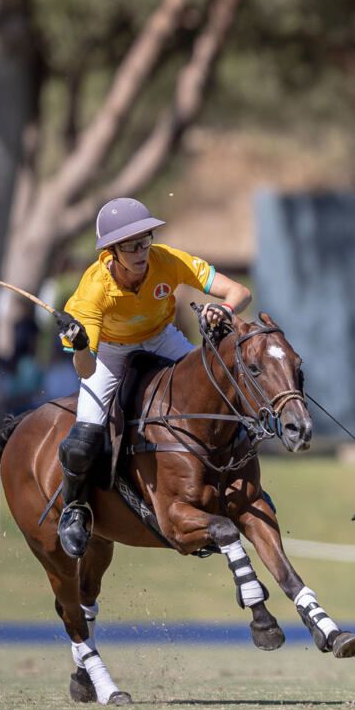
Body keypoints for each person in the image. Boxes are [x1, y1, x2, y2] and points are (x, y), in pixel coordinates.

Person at [53, 197, 252, 559]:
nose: (142, 251)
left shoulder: (168, 261)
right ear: (112, 251)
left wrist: (222, 311)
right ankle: (74, 508)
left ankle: (231, 485)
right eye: (131, 245)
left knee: (219, 389)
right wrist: (82, 345)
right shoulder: (93, 290)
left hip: (162, 338)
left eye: (146, 240)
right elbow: (85, 370)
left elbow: (240, 291)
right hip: (110, 353)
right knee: (84, 441)